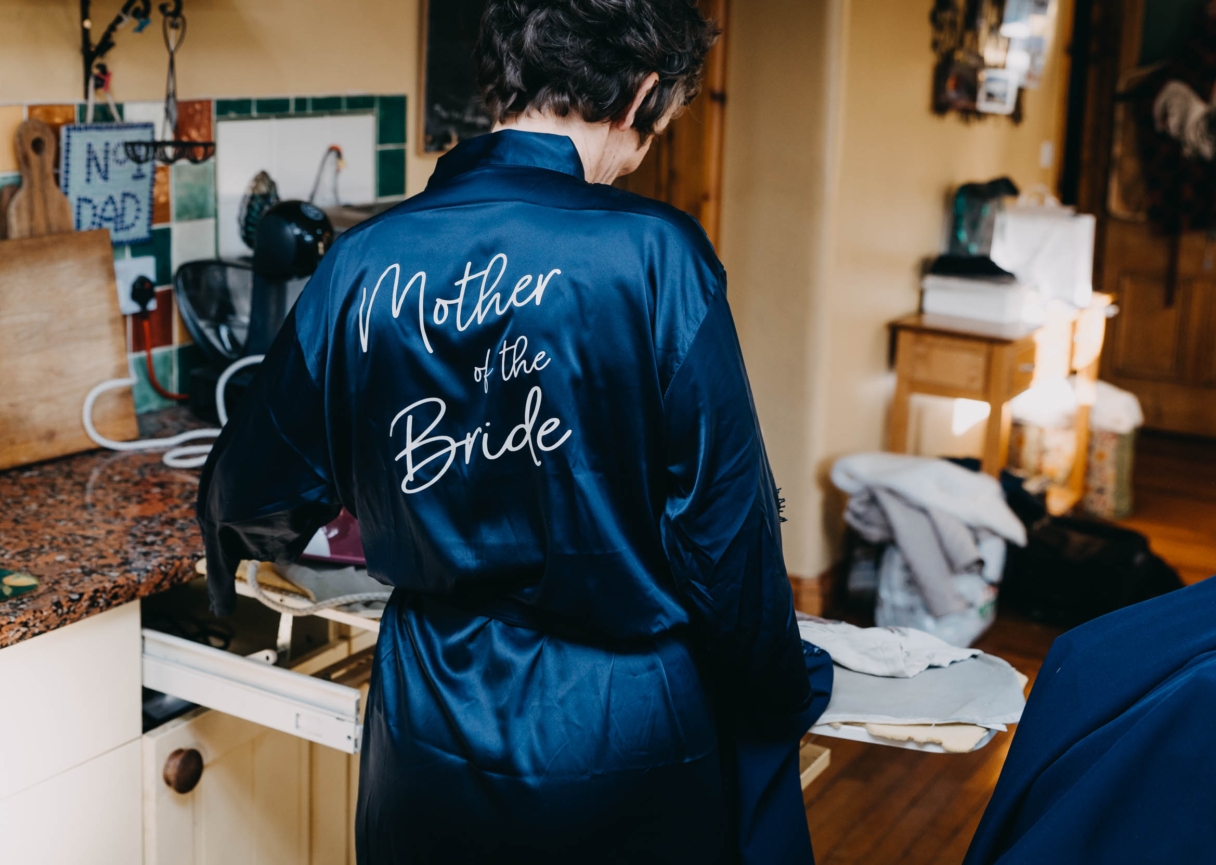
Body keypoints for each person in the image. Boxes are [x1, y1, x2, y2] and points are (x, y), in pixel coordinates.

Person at [197, 1, 823, 862]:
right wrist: (785, 693)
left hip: (430, 721)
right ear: (643, 93)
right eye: (659, 126)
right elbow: (727, 537)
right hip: (627, 731)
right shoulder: (657, 254)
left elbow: (252, 493)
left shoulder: (362, 261)